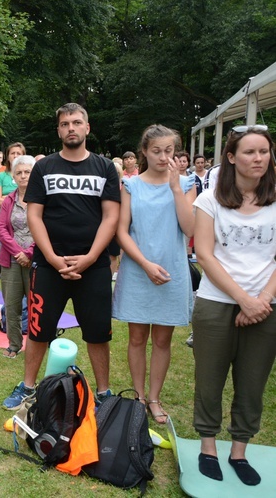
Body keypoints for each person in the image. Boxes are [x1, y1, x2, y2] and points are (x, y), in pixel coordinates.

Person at [2, 103, 120, 410]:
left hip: (92, 266)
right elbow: (34, 216)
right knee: (39, 330)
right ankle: (28, 386)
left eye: (77, 122)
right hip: (49, 265)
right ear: (59, 130)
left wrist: (92, 257)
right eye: (65, 123)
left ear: (87, 128)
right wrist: (54, 259)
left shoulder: (104, 167)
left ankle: (104, 393)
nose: (71, 127)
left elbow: (111, 217)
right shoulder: (44, 167)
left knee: (97, 333)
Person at [192, 125, 276, 486]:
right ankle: (208, 447)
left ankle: (239, 450)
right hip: (216, 303)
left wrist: (261, 301)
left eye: (264, 152)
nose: (258, 159)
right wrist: (243, 299)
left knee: (252, 382)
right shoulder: (209, 200)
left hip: (266, 306)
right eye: (249, 152)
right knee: (209, 380)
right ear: (231, 157)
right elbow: (205, 255)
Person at [112, 125, 196, 425]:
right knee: (136, 338)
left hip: (172, 271)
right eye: (157, 151)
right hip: (138, 269)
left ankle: (155, 398)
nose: (163, 157)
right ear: (144, 152)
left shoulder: (186, 184)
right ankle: (138, 396)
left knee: (163, 339)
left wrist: (175, 187)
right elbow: (122, 230)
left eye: (169, 151)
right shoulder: (131, 185)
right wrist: (145, 264)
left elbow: (190, 229)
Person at [0, 155, 35, 358]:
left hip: (36, 259)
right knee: (11, 305)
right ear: (13, 176)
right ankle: (14, 344)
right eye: (19, 172)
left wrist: (28, 253)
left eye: (27, 172)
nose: (23, 176)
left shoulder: (41, 198)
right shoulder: (8, 200)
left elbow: (48, 228)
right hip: (11, 259)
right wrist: (18, 252)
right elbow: (1, 228)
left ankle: (39, 343)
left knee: (37, 304)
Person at [0, 143, 27, 207]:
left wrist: (7, 199)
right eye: (12, 153)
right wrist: (19, 203)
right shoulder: (0, 176)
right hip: (6, 213)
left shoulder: (29, 176)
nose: (15, 156)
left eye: (18, 153)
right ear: (8, 157)